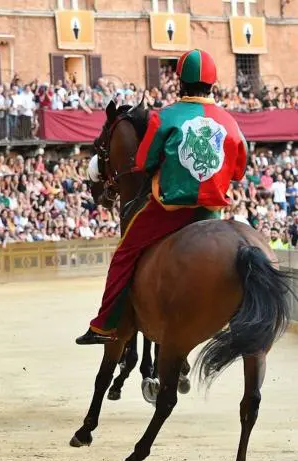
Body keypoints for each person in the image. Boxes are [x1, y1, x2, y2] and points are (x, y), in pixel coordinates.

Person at [76, 49, 248, 345]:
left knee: (124, 254)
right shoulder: (231, 124)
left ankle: (104, 324)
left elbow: (143, 162)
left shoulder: (164, 117)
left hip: (167, 210)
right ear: (213, 84)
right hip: (210, 214)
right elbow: (238, 172)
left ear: (180, 82)